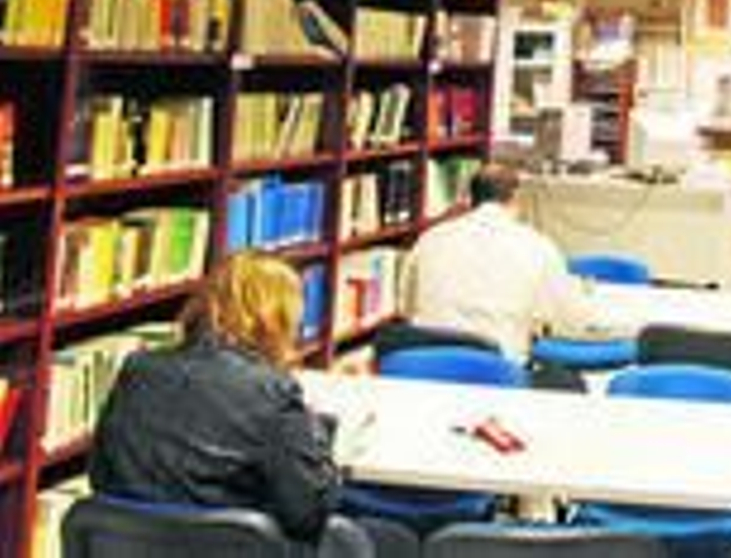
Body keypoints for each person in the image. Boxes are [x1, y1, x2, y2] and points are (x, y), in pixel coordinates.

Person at [90, 254, 369, 556]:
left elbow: (101, 477)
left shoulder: (137, 370)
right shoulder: (272, 391)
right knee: (354, 538)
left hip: (132, 547)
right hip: (228, 548)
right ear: (277, 318)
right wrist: (316, 443)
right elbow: (308, 513)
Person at [401, 162, 600, 358]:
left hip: (425, 368)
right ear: (515, 198)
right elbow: (570, 321)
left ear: (469, 199)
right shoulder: (537, 246)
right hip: (497, 374)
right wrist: (579, 293)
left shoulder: (430, 239)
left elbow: (405, 308)